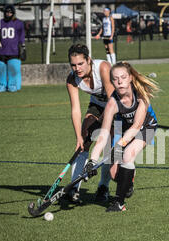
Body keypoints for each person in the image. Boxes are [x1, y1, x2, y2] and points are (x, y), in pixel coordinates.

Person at [84, 61, 160, 212]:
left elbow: (137, 126)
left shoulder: (141, 94)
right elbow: (103, 135)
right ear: (112, 81)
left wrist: (119, 145)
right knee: (113, 174)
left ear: (130, 78)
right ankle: (128, 180)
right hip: (123, 128)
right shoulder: (112, 103)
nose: (120, 82)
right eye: (116, 79)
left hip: (146, 126)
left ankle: (119, 203)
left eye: (123, 77)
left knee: (127, 155)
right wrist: (91, 161)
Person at [66, 44, 115, 203]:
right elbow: (75, 110)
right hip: (97, 105)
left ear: (89, 60)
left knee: (108, 145)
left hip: (116, 105)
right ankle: (74, 187)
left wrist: (102, 124)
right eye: (73, 65)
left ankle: (103, 187)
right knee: (84, 139)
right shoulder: (72, 79)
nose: (77, 68)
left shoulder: (103, 68)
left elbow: (112, 101)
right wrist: (78, 137)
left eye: (80, 64)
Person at [0, 5, 26, 92]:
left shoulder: (19, 23)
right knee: (0, 70)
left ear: (13, 13)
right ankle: (1, 85)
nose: (8, 14)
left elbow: (22, 37)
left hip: (13, 51)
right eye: (7, 12)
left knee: (13, 70)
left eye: (10, 12)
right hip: (2, 51)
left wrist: (23, 47)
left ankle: (13, 85)